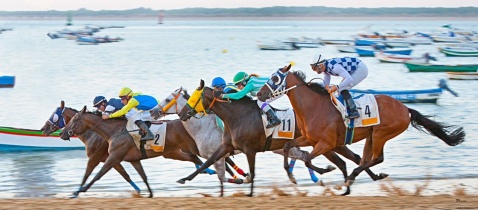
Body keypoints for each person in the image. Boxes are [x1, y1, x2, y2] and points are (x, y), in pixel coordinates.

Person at [309, 54, 369, 119]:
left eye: (314, 68)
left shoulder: (334, 67)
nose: (314, 70)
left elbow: (349, 79)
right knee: (340, 88)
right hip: (353, 69)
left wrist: (337, 87)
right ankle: (346, 108)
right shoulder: (326, 69)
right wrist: (312, 85)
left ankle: (354, 111)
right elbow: (325, 84)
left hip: (360, 69)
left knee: (342, 88)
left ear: (320, 65)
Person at [215, 72, 281, 128]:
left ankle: (274, 119)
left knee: (260, 102)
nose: (238, 87)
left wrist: (223, 96)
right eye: (236, 85)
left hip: (277, 88)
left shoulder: (251, 84)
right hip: (273, 87)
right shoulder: (251, 81)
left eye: (239, 85)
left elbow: (238, 95)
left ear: (244, 82)